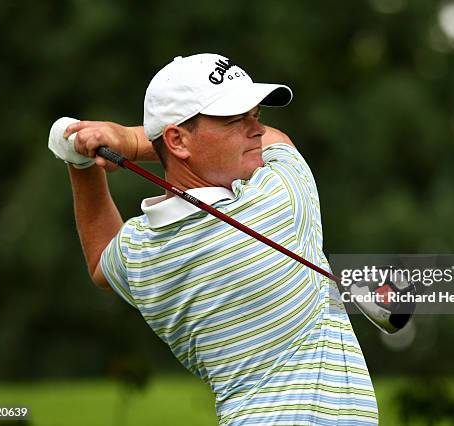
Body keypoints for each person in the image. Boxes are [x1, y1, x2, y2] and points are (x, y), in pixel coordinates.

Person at [53, 53, 379, 425]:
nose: (255, 129)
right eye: (235, 119)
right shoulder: (281, 201)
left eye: (255, 115)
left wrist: (79, 164)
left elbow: (100, 261)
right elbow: (278, 140)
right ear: (177, 139)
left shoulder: (143, 252)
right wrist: (127, 139)